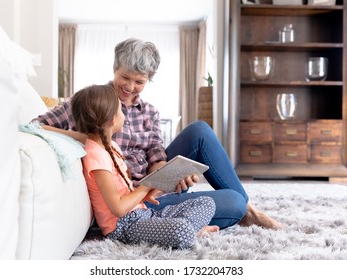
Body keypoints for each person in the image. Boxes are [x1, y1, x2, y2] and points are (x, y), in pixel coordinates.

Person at [33, 38, 282, 230]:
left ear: (149, 79)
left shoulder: (149, 112)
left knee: (200, 131)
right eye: (125, 78)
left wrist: (171, 174)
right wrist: (88, 139)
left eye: (139, 81)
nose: (130, 87)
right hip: (131, 202)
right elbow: (35, 125)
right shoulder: (89, 100)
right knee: (233, 202)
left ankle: (249, 209)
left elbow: (156, 155)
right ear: (114, 69)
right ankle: (243, 208)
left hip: (154, 187)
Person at [71, 84, 219, 248]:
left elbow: (124, 191)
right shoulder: (96, 156)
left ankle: (182, 231)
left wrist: (144, 195)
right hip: (124, 227)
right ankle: (188, 232)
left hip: (143, 213)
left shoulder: (111, 146)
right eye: (121, 110)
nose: (124, 115)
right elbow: (118, 209)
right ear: (112, 119)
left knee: (207, 202)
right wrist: (146, 186)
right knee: (181, 229)